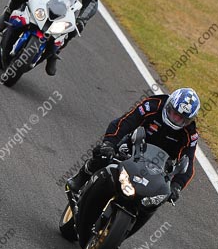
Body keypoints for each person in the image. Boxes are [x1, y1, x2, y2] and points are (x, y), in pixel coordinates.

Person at [67, 88, 201, 206]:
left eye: (181, 118)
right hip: (133, 147)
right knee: (104, 154)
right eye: (174, 113)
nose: (176, 119)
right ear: (169, 106)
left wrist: (177, 186)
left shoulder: (190, 134)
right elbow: (124, 122)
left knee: (159, 196)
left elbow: (188, 163)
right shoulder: (152, 105)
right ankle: (82, 177)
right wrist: (109, 143)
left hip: (159, 166)